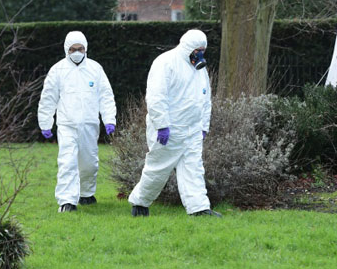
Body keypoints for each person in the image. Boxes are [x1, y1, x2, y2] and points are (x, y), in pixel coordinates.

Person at [128, 29, 221, 217]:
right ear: (188, 47)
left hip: (192, 130)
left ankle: (199, 208)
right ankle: (140, 203)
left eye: (203, 50)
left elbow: (205, 98)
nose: (200, 54)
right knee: (158, 169)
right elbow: (156, 96)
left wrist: (203, 125)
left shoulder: (199, 70)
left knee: (193, 169)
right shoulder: (165, 62)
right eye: (197, 50)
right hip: (170, 130)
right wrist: (162, 125)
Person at [38, 31, 117, 213]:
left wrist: (109, 119)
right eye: (73, 49)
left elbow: (105, 96)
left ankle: (86, 194)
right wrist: (45, 122)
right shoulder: (58, 70)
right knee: (67, 162)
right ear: (66, 49)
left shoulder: (95, 69)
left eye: (80, 49)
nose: (77, 52)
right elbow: (48, 98)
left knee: (89, 163)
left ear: (86, 48)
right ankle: (66, 201)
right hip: (67, 124)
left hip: (90, 124)